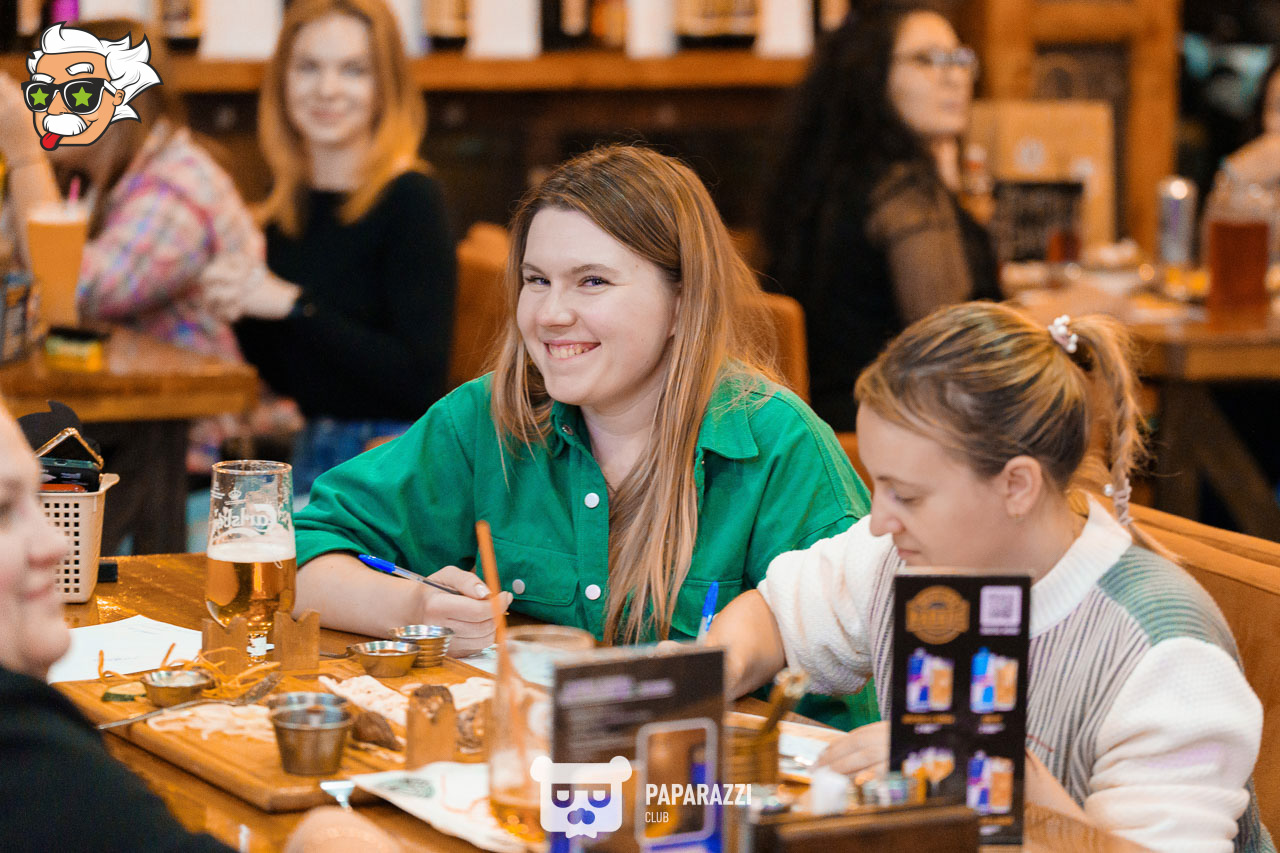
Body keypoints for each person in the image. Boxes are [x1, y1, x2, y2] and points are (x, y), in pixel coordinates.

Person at [292, 144, 872, 724]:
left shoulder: (780, 447)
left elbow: (858, 678)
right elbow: (298, 559)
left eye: (592, 281)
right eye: (536, 280)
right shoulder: (489, 417)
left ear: (682, 302)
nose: (550, 314)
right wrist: (415, 607)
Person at [708, 302, 1274, 851]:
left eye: (907, 495)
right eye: (879, 485)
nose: (878, 521)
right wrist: (708, 676)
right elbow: (774, 616)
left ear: (1017, 486)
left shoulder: (1166, 653)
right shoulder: (905, 554)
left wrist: (998, 780)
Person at [0, 399, 400, 852]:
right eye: (4, 511)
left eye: (38, 501)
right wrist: (331, 832)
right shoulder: (22, 746)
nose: (56, 542)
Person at [0, 19, 265, 553]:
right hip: (114, 433)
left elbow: (71, 291)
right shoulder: (95, 185)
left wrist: (25, 155)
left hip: (196, 456)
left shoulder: (178, 187)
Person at [200, 0, 456, 496]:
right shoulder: (289, 205)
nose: (327, 89)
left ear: (386, 87)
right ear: (282, 81)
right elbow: (299, 376)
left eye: (354, 70)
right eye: (308, 67)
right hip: (311, 454)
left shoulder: (413, 199)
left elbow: (419, 383)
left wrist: (295, 305)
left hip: (387, 468)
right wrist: (242, 311)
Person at [760, 3, 1000, 430]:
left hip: (820, 430)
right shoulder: (904, 190)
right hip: (890, 437)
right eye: (926, 59)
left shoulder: (826, 178)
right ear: (871, 75)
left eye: (959, 58)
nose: (953, 76)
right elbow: (955, 351)